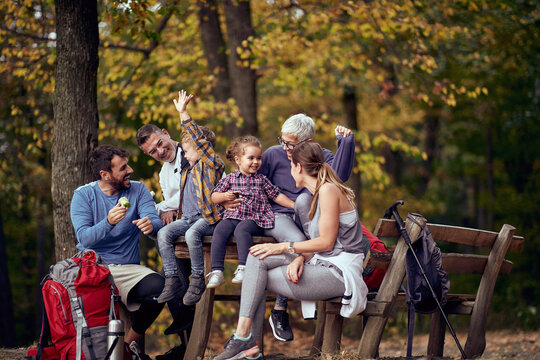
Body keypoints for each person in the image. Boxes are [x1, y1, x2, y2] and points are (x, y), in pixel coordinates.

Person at [213, 142, 370, 360]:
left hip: (339, 271)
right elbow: (315, 244)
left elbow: (326, 243)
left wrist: (284, 246)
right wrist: (300, 259)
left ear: (297, 167)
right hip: (320, 262)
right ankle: (247, 342)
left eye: (290, 166)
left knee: (257, 273)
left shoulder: (328, 190)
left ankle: (246, 342)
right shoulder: (311, 197)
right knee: (256, 257)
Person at [257, 113, 355, 341]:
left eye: (290, 144)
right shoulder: (273, 154)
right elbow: (255, 184)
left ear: (308, 143)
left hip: (308, 218)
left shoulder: (320, 157)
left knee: (305, 228)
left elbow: (338, 178)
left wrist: (345, 143)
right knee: (301, 245)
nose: (285, 147)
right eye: (282, 141)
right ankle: (280, 310)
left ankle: (283, 308)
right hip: (278, 216)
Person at [70, 145, 165, 358]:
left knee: (162, 288)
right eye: (123, 168)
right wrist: (108, 222)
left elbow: (155, 220)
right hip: (95, 267)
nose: (129, 170)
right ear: (105, 174)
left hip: (128, 269)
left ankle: (130, 342)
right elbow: (84, 237)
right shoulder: (83, 195)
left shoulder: (138, 189)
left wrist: (152, 226)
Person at [154, 90, 225, 306]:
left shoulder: (210, 165)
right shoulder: (187, 171)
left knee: (193, 234)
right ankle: (172, 277)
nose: (183, 155)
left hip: (208, 219)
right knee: (164, 233)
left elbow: (197, 141)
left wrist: (183, 113)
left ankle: (197, 279)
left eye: (187, 151)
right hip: (188, 218)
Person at [207, 136, 295, 288]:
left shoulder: (261, 179)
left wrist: (295, 205)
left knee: (242, 230)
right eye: (251, 158)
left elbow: (276, 195)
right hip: (233, 215)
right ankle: (217, 271)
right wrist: (223, 196)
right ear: (238, 159)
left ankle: (243, 267)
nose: (256, 162)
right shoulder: (230, 178)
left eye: (259, 158)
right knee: (220, 229)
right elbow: (213, 196)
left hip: (255, 218)